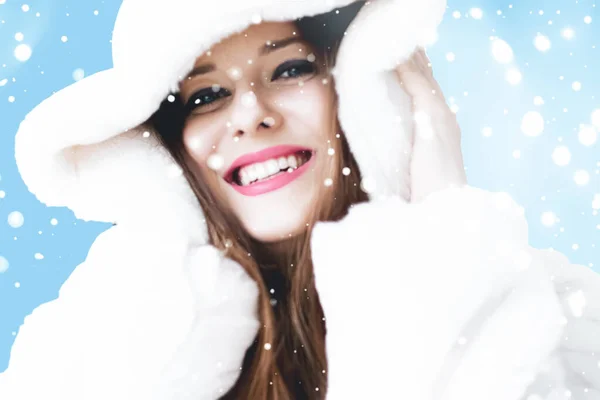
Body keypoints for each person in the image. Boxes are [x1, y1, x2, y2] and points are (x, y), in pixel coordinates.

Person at [2, 0, 600, 399]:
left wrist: (437, 253)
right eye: (205, 95)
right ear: (167, 154)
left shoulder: (557, 324)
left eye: (288, 70)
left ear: (361, 97)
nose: (249, 116)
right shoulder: (91, 342)